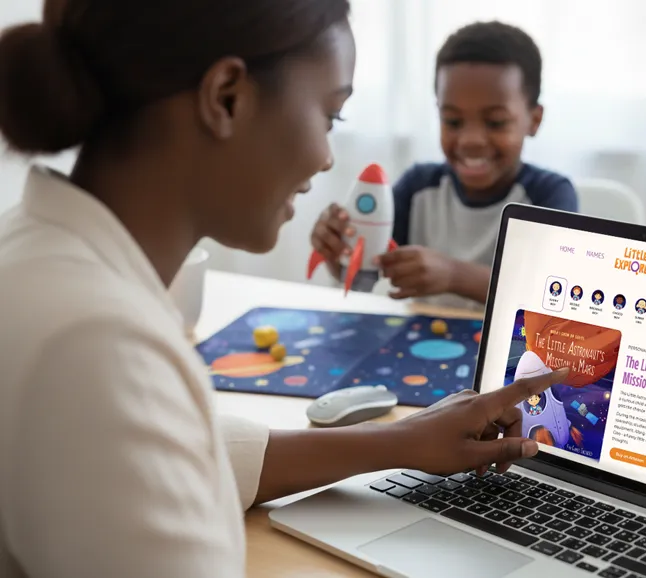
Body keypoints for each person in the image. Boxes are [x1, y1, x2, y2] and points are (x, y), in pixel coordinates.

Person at [0, 2, 568, 577]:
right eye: (330, 116)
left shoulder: (42, 262)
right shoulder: (97, 345)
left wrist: (402, 441)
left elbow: (195, 453)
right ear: (227, 97)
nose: (326, 158)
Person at [311, 21, 578, 310]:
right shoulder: (418, 188)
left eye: (495, 122)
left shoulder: (549, 196)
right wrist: (338, 252)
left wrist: (455, 275)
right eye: (453, 121)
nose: (471, 140)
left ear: (534, 120)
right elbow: (362, 278)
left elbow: (554, 297)